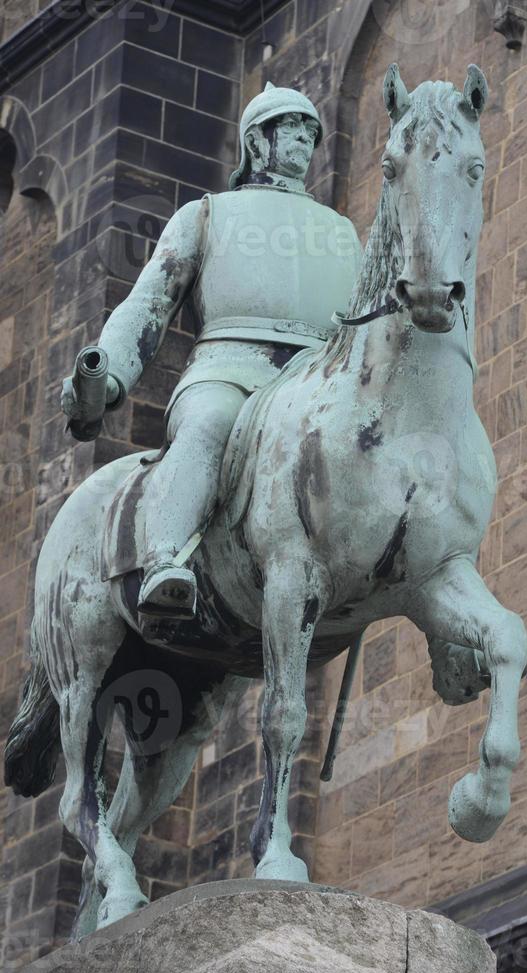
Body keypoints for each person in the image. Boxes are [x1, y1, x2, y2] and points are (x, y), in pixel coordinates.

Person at [62, 82, 362, 625]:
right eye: (290, 127)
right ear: (256, 140)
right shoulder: (207, 215)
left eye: (310, 131)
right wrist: (107, 378)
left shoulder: (342, 231)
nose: (303, 139)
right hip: (229, 370)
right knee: (208, 426)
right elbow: (148, 303)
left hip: (318, 381)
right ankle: (164, 559)